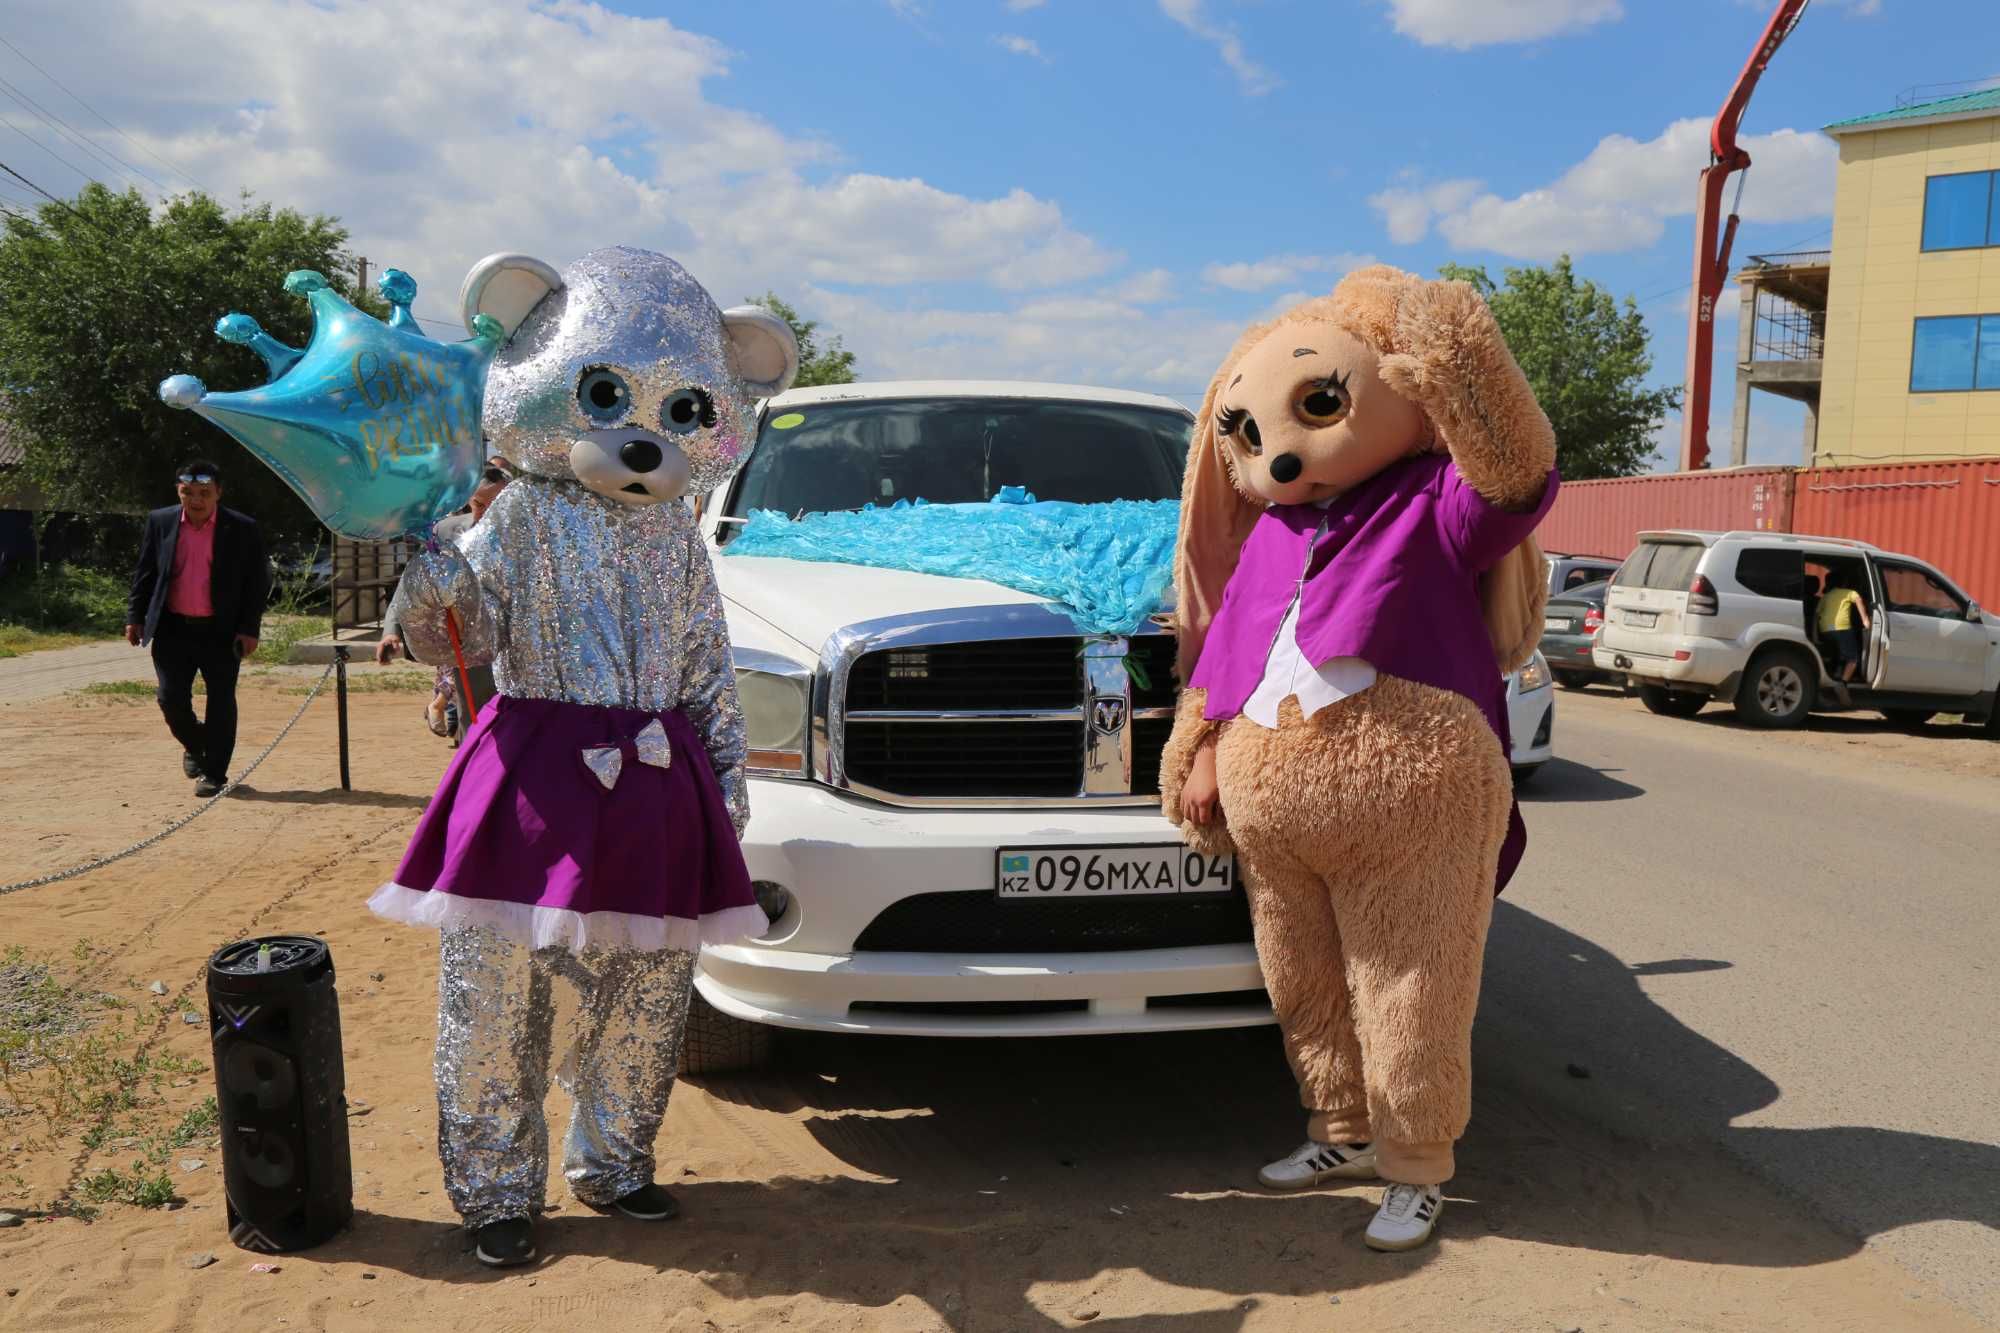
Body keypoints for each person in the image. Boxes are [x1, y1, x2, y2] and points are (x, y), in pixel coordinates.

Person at [125, 459, 271, 798]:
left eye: (204, 493)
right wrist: (135, 616)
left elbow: (256, 582)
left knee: (220, 701)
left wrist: (249, 629)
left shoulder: (242, 528)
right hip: (173, 628)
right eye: (187, 492)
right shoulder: (160, 522)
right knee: (170, 698)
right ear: (178, 492)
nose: (196, 500)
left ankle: (215, 774)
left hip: (222, 631)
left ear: (218, 493)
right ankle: (196, 743)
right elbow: (145, 571)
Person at [377, 461, 510, 739]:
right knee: (473, 725)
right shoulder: (445, 532)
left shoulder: (527, 537)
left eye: (496, 505)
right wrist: (391, 631)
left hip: (517, 649)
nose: (487, 514)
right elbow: (411, 584)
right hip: (469, 648)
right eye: (479, 504)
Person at [1817, 568, 1871, 708]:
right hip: (1842, 628)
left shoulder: (1826, 596)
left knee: (1838, 656)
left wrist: (1816, 633)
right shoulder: (1849, 592)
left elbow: (1817, 614)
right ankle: (1842, 684)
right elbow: (1858, 599)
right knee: (1853, 658)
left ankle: (1833, 680)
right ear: (1844, 582)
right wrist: (1865, 619)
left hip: (1825, 630)